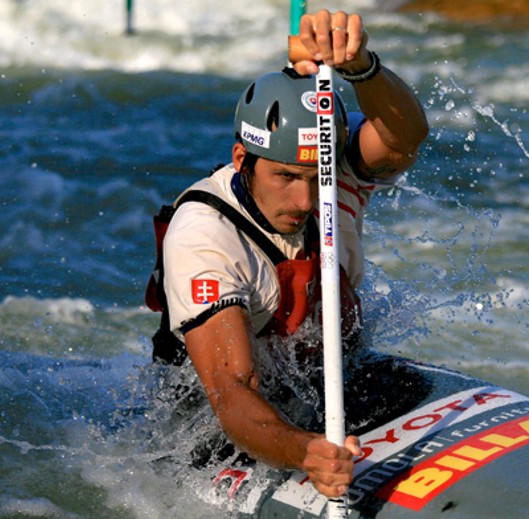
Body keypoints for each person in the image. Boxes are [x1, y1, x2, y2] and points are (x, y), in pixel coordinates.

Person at [146, 9, 429, 499]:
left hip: (324, 375)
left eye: (318, 178)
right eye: (285, 178)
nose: (305, 201)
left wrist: (362, 67)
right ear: (242, 161)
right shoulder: (204, 236)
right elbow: (234, 391)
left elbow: (406, 137)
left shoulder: (332, 162)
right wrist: (307, 453)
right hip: (219, 423)